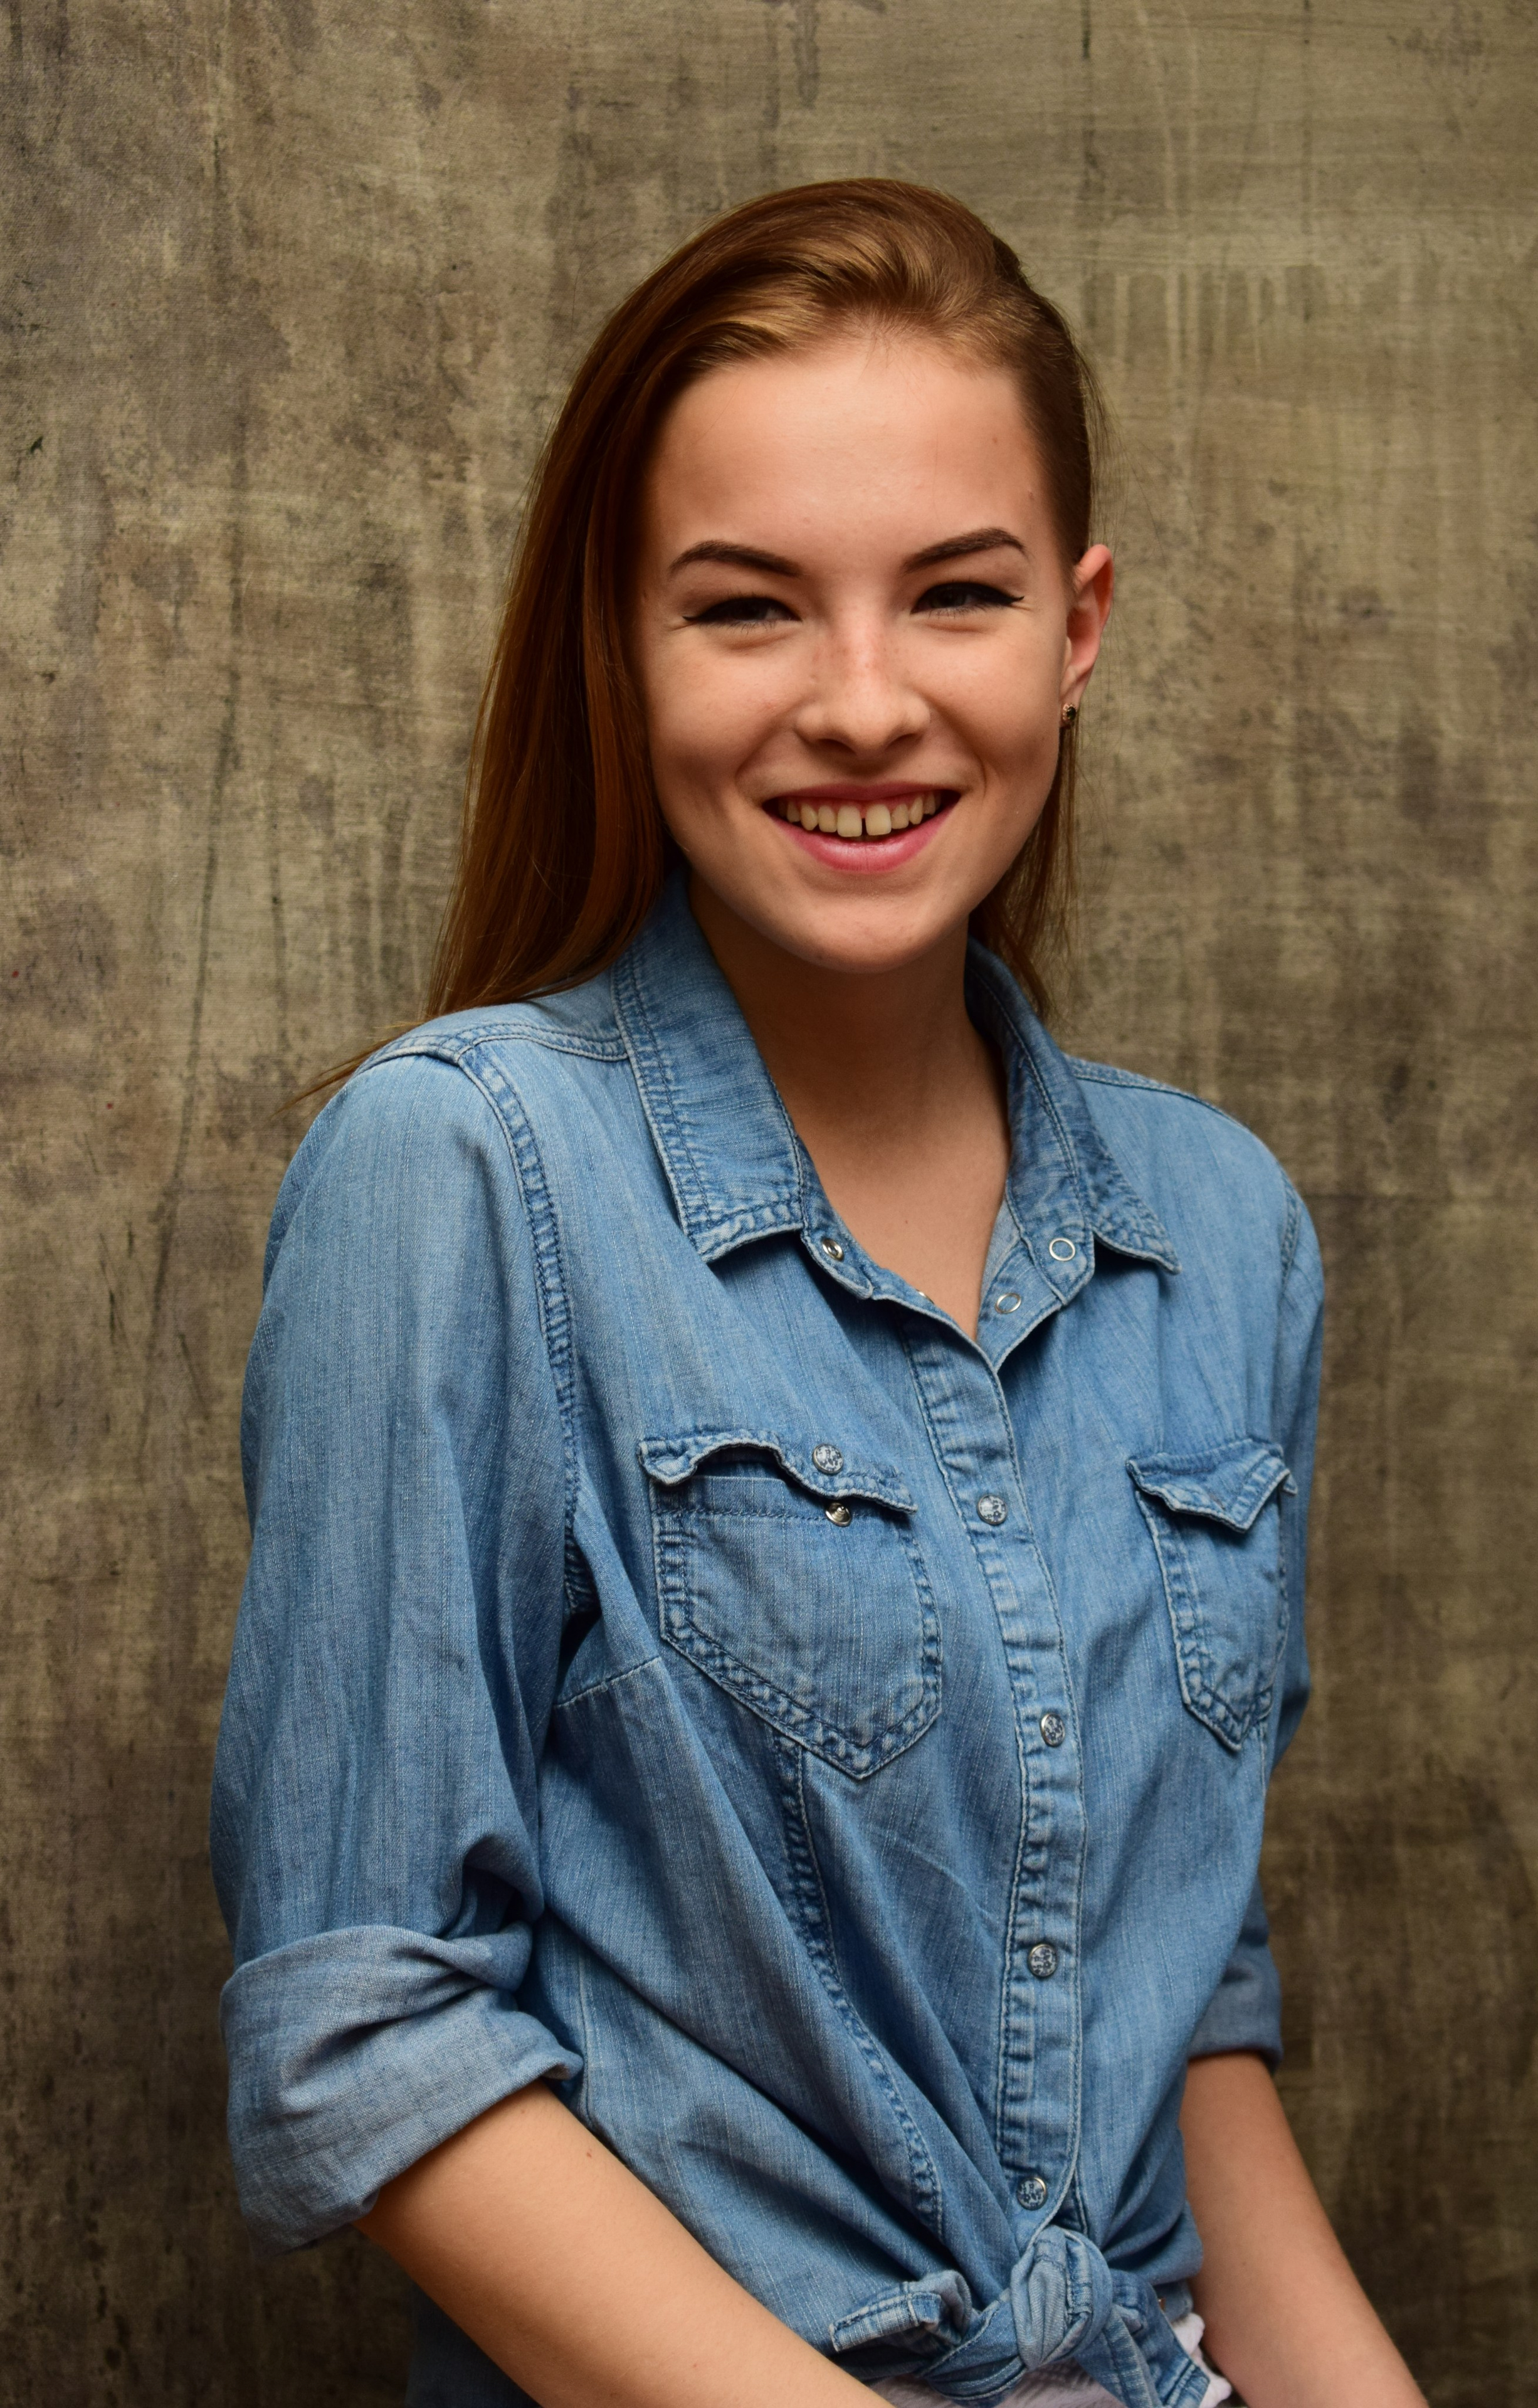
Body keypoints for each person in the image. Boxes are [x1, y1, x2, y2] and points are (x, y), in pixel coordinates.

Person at [211, 181, 1426, 2408]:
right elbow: (364, 2025)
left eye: (952, 597)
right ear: (625, 639)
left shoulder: (1224, 1225)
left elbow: (1182, 2006)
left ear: (1078, 625)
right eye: (748, 609)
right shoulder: (466, 1174)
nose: (862, 706)